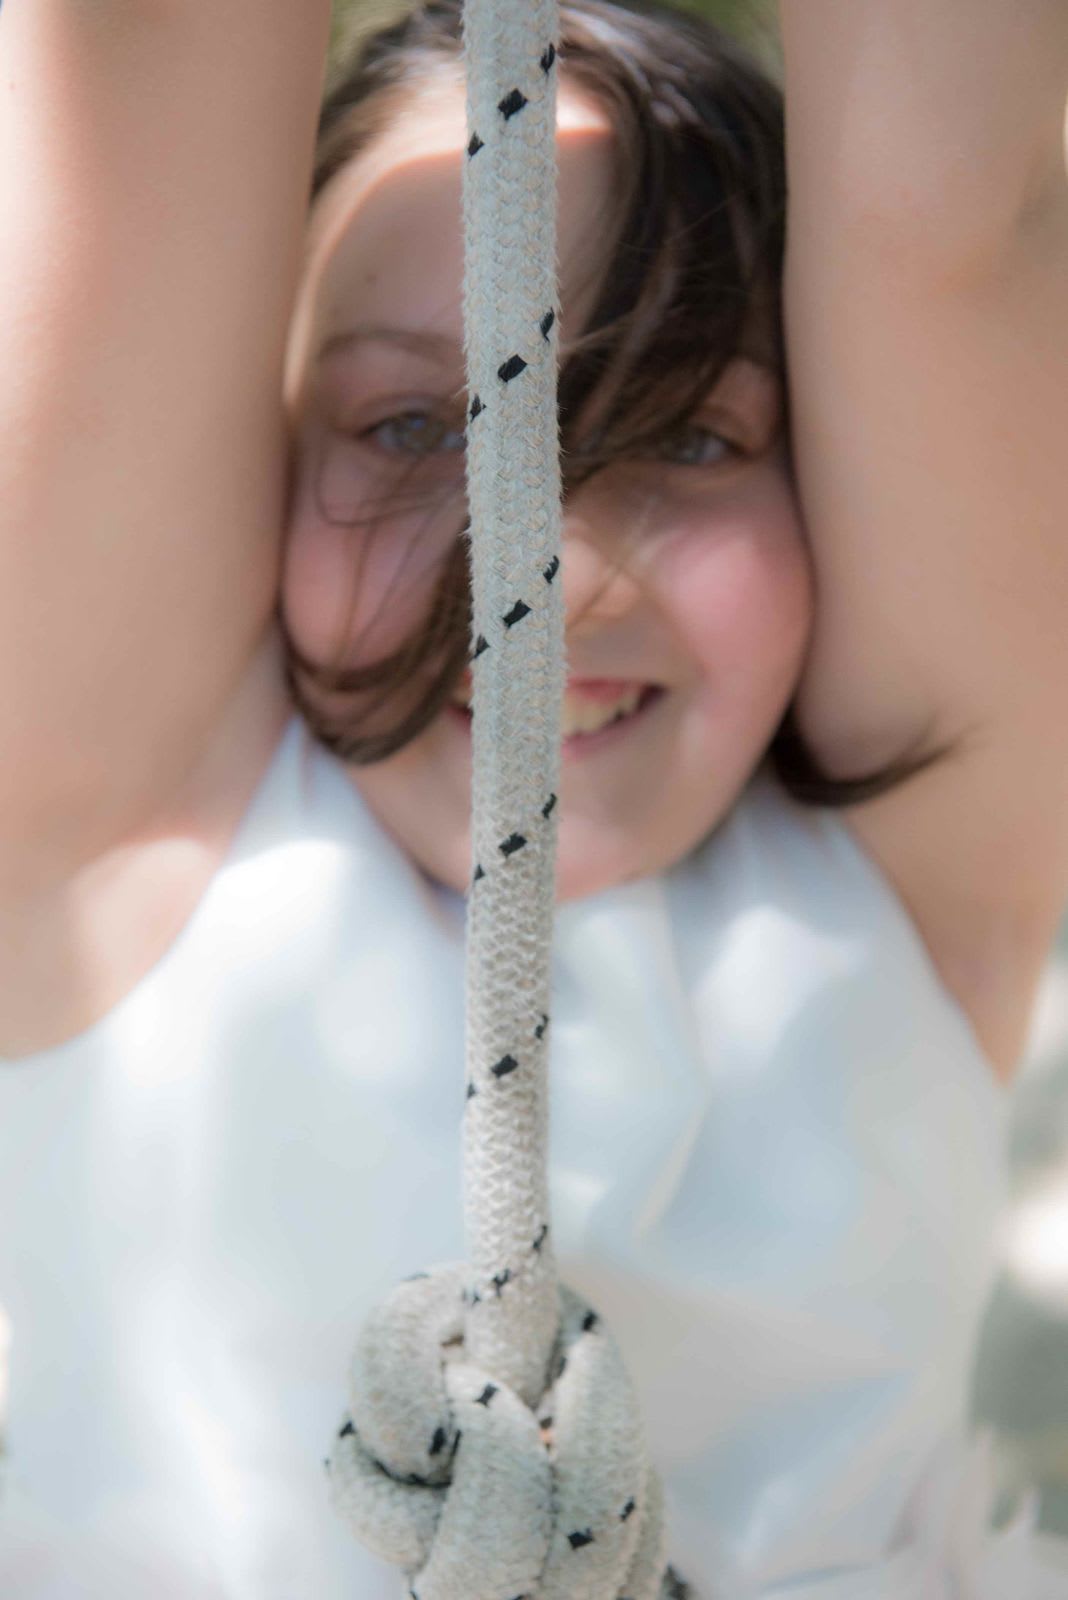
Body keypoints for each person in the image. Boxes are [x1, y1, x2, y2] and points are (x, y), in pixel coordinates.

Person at [1, 0, 1067, 1594]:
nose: (548, 572)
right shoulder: (116, 831)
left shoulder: (903, 871)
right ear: (253, 470)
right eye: (413, 425)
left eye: (694, 431)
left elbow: (951, 220)